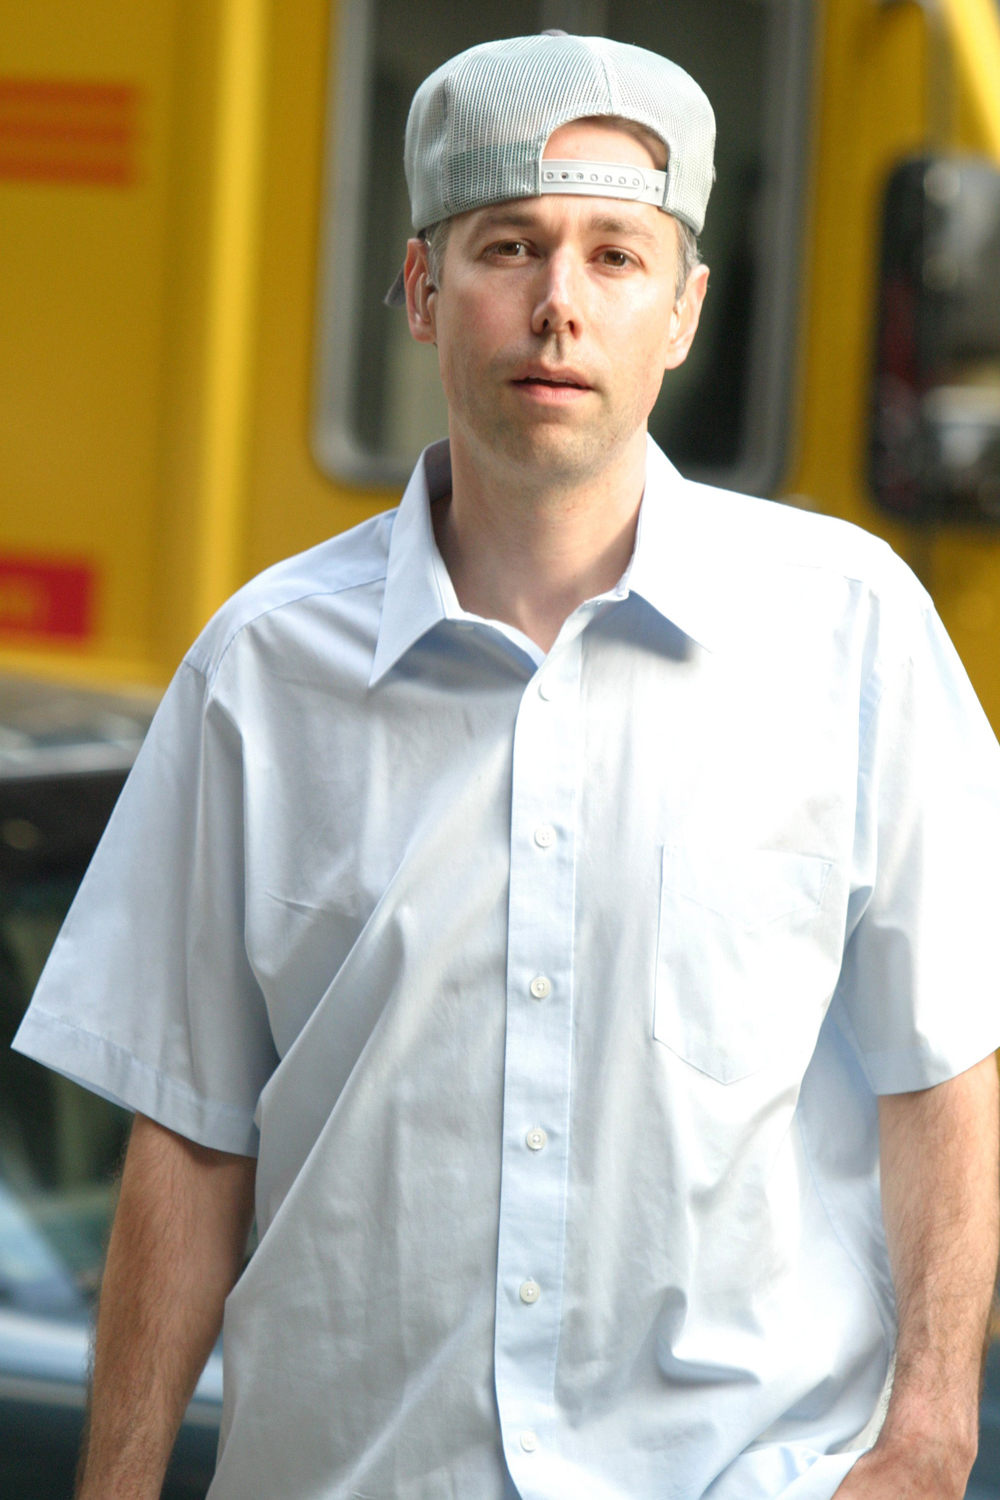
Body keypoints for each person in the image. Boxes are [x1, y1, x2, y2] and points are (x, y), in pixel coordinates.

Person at [13, 30, 1000, 1500]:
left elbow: (949, 1067)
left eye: (615, 256)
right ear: (419, 290)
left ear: (684, 310)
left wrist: (928, 1438)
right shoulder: (260, 672)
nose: (558, 308)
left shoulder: (850, 631)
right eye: (508, 247)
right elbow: (186, 1136)